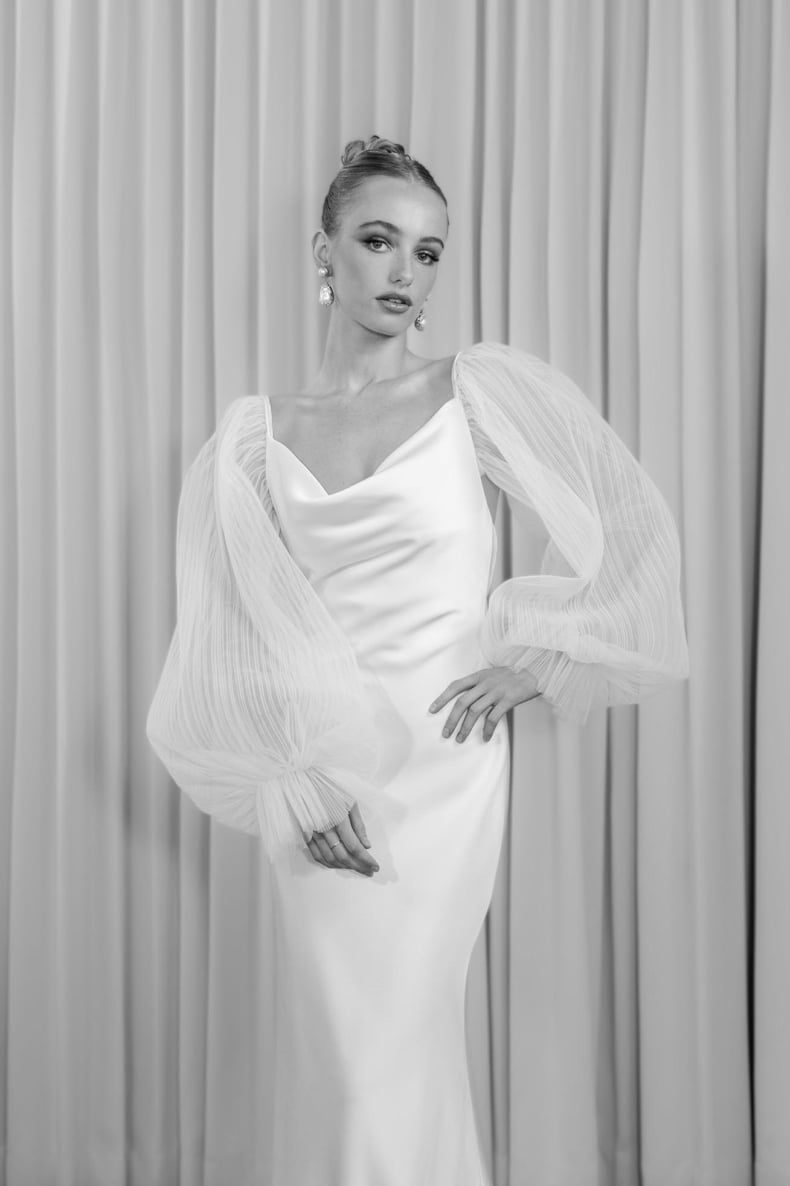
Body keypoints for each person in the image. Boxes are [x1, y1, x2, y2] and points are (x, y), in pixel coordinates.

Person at [146, 135, 689, 1185]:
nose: (405, 271)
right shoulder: (255, 438)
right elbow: (233, 632)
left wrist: (539, 661)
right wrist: (298, 778)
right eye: (379, 241)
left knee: (399, 1048)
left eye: (427, 252)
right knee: (342, 1063)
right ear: (325, 251)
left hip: (443, 764)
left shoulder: (472, 393)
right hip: (320, 775)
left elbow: (632, 531)